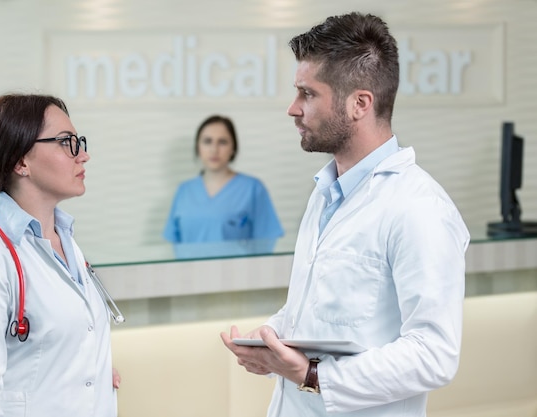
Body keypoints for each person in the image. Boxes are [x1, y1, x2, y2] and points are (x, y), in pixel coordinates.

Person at [221, 12, 470, 417]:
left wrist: (314, 376)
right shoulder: (326, 193)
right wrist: (271, 341)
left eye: (307, 94)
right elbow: (322, 309)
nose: (292, 108)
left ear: (360, 104)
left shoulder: (419, 208)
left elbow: (434, 353)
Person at [0, 93, 122, 417]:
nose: (83, 155)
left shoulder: (64, 239)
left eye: (79, 142)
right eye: (67, 143)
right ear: (20, 162)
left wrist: (89, 370)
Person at [163, 115, 284, 243]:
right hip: (187, 264)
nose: (214, 150)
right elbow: (173, 243)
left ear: (233, 148)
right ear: (198, 147)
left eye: (222, 142)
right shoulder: (184, 191)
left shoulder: (252, 189)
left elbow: (266, 244)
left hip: (239, 264)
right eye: (207, 141)